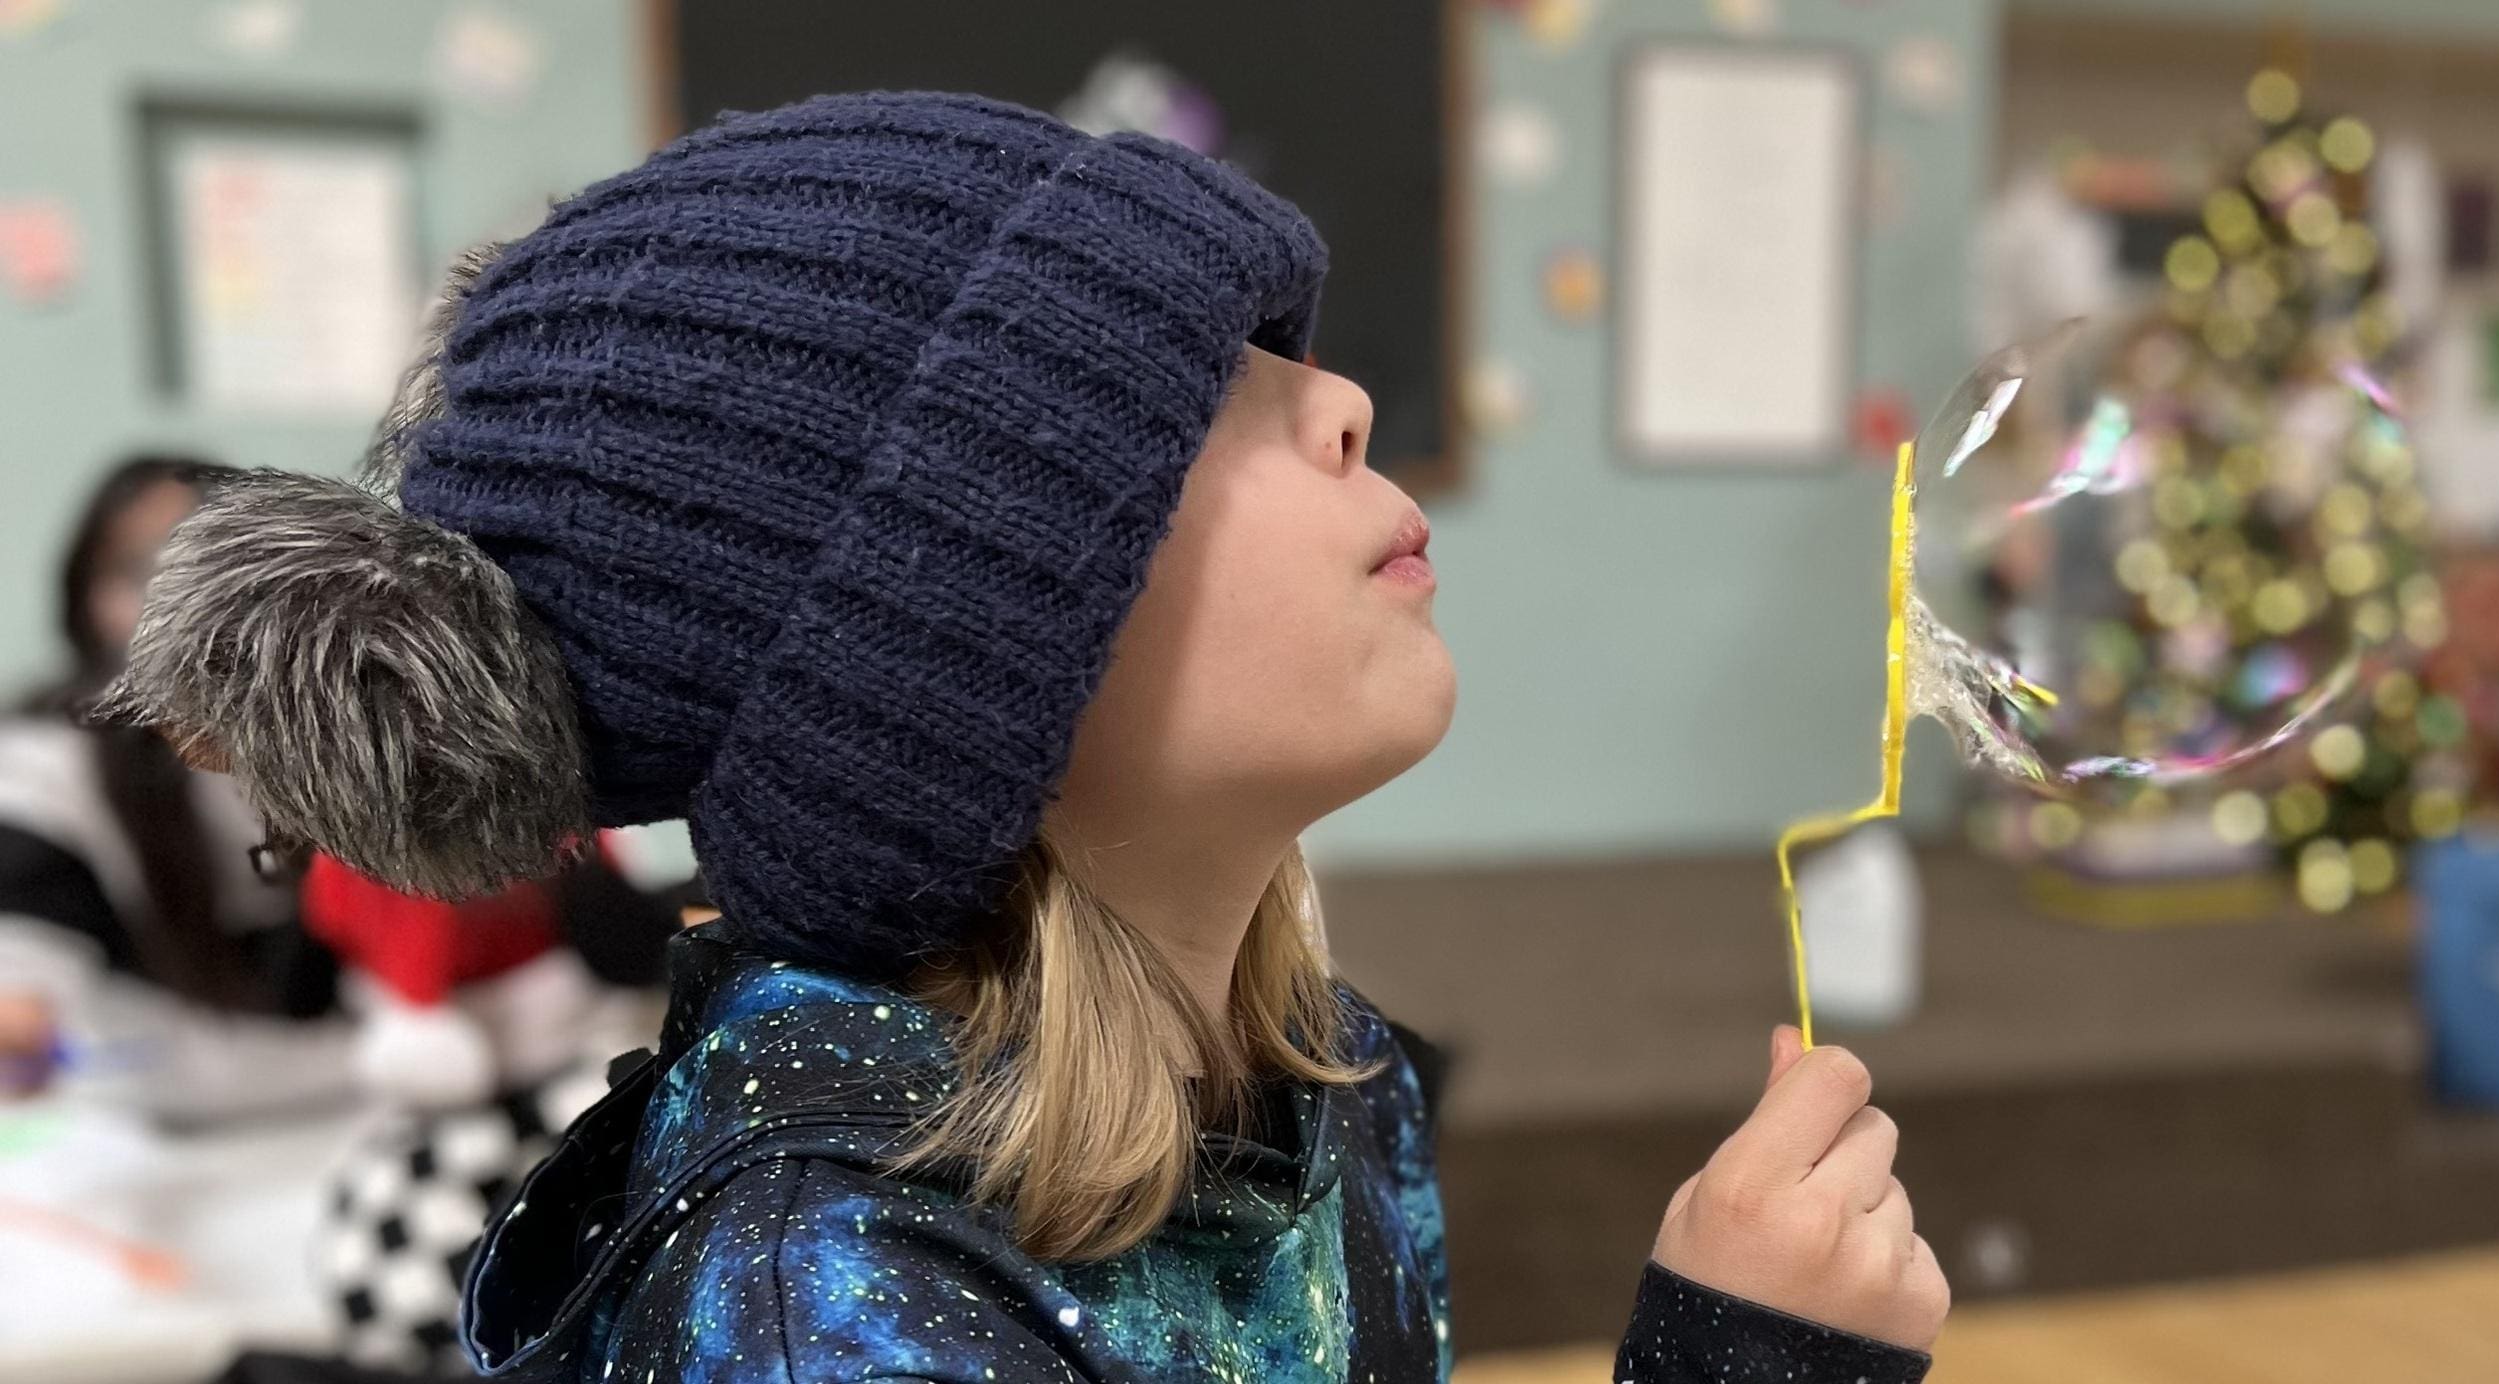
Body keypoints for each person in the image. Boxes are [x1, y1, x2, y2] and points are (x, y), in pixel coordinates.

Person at [106, 93, 1946, 1382]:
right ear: (954, 648)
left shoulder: (1316, 1079)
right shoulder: (816, 1296)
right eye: (1181, 395)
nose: (1345, 399)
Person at [0, 455, 358, 1121]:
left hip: (369, 1096)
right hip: (160, 1133)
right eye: (138, 570)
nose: (173, 595)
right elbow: (24, 950)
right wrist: (19, 1031)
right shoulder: (49, 766)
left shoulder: (343, 730)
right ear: (89, 596)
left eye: (203, 563)